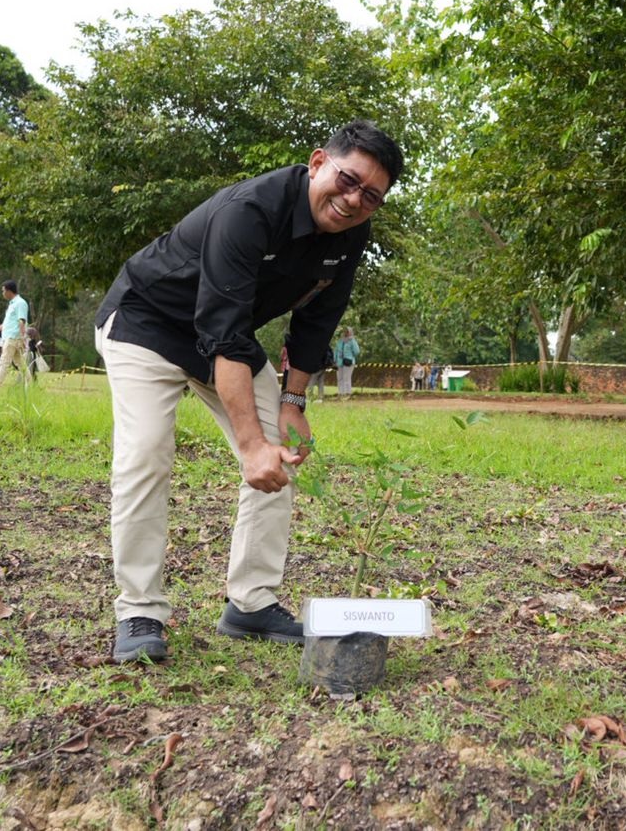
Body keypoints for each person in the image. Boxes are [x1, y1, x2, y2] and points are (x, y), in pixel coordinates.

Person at [94, 121, 403, 662]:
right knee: (146, 453)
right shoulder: (251, 211)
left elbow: (316, 321)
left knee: (282, 450)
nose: (353, 200)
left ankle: (251, 603)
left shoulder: (352, 236)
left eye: (370, 196)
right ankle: (139, 610)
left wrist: (294, 404)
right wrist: (249, 443)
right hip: (147, 323)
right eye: (347, 180)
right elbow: (226, 334)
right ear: (316, 163)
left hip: (221, 339)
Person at [0, 280, 29, 386]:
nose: (2, 293)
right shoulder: (12, 304)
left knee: (4, 361)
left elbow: (22, 321)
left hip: (14, 338)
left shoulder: (20, 303)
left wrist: (23, 338)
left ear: (9, 291)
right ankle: (30, 384)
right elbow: (7, 323)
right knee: (20, 363)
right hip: (9, 337)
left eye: (3, 291)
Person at [332, 326, 361, 400]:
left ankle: (347, 394)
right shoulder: (340, 341)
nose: (345, 333)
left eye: (347, 331)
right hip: (339, 362)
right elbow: (336, 350)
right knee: (339, 378)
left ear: (350, 332)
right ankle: (341, 393)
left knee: (346, 378)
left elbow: (357, 351)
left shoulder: (352, 341)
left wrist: (350, 355)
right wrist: (334, 360)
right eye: (345, 331)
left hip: (348, 362)